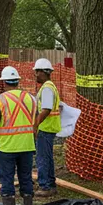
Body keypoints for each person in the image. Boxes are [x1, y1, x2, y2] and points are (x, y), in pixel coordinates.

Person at [0, 65, 36, 205]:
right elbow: (36, 120)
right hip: (27, 145)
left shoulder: (0, 100)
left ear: (4, 82)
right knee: (26, 178)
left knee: (7, 179)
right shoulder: (31, 98)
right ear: (18, 81)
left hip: (7, 147)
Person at [33, 58, 61, 196]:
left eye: (37, 71)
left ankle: (45, 186)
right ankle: (51, 184)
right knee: (47, 157)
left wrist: (36, 124)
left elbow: (46, 109)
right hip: (49, 127)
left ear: (43, 72)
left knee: (42, 158)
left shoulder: (47, 89)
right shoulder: (50, 86)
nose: (35, 74)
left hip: (46, 128)